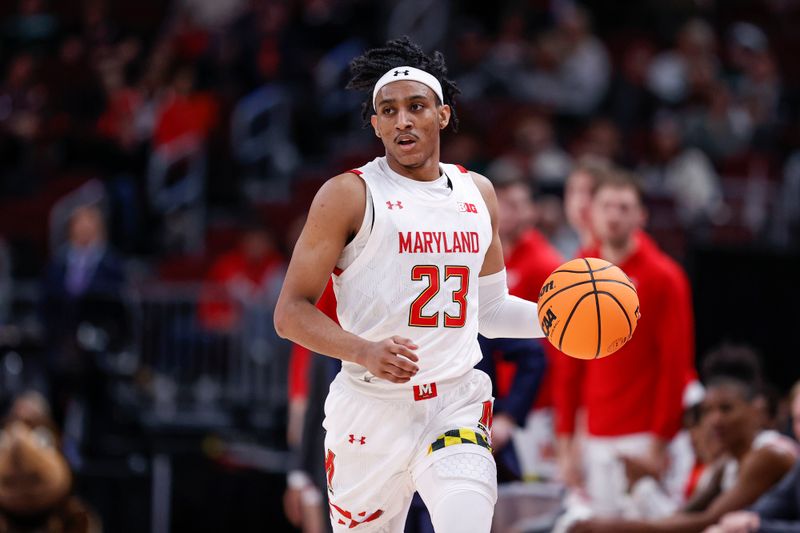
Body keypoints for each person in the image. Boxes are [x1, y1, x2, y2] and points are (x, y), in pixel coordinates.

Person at [274, 37, 547, 533]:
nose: (403, 120)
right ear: (375, 123)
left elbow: (490, 309)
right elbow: (290, 312)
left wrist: (555, 322)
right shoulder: (348, 195)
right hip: (370, 411)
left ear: (441, 115)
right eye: (388, 110)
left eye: (416, 106)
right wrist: (364, 350)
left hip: (454, 403)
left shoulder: (477, 192)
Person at [553, 169, 696, 516]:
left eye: (624, 207)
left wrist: (660, 442)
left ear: (641, 215)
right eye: (607, 206)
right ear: (592, 212)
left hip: (644, 435)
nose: (614, 215)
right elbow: (568, 367)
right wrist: (566, 441)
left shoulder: (665, 276)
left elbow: (675, 365)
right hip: (596, 436)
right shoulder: (576, 272)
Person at [569, 347, 797, 533]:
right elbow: (684, 516)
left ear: (755, 410)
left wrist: (611, 527)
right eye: (707, 411)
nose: (714, 420)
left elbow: (708, 521)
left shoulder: (769, 454)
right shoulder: (726, 464)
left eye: (726, 409)